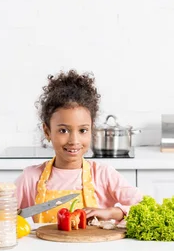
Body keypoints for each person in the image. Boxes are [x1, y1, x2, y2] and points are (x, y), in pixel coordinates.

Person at [14, 69, 143, 223]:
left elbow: (145, 207)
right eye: (63, 130)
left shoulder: (103, 175)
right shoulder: (30, 178)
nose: (74, 140)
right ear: (47, 131)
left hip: (94, 247)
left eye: (83, 130)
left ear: (91, 129)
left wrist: (112, 212)